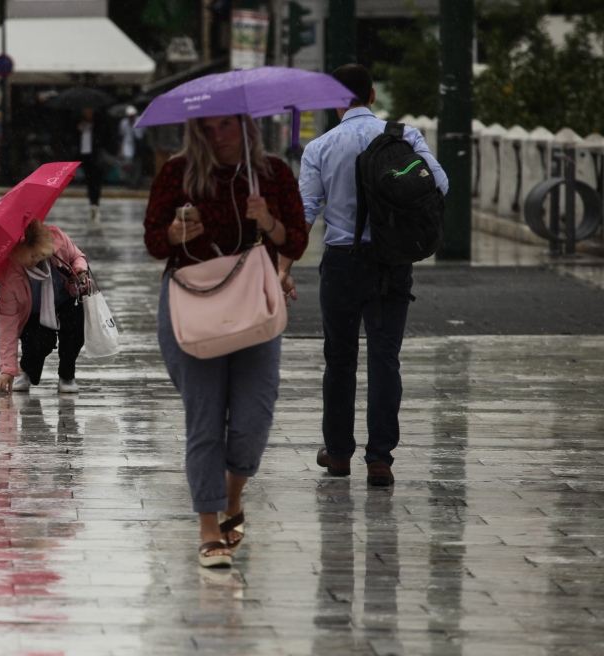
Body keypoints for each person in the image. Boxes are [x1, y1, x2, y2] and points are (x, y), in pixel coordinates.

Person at [144, 114, 307, 567]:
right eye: (207, 128)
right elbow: (154, 241)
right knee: (205, 418)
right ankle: (208, 527)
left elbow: (296, 236)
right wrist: (173, 234)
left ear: (245, 126)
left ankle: (233, 495)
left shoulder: (271, 172)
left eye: (225, 126)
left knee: (253, 417)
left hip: (253, 301)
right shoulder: (177, 173)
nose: (217, 136)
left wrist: (267, 220)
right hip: (191, 304)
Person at [298, 63, 448, 487]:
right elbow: (441, 184)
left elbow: (305, 214)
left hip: (342, 261)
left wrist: (281, 265)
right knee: (385, 359)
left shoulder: (320, 147)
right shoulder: (403, 137)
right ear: (372, 96)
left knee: (340, 360)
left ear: (333, 101)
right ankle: (380, 458)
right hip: (392, 261)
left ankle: (340, 454)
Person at [0, 219, 89, 395]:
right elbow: (8, 323)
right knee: (39, 342)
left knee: (74, 331)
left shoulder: (58, 240)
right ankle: (25, 370)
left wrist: (79, 270)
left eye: (38, 255)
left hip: (66, 300)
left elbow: (78, 257)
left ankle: (67, 376)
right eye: (29, 257)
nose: (34, 260)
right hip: (33, 312)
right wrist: (8, 368)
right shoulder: (10, 274)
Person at [76, 107, 105, 221]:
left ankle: (95, 203)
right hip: (84, 155)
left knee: (97, 180)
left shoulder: (98, 124)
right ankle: (92, 203)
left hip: (96, 156)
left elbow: (103, 139)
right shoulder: (79, 124)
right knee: (89, 180)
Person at [118, 105, 144, 188]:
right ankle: (129, 181)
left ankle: (136, 182)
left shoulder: (139, 121)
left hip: (138, 146)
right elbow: (122, 135)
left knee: (137, 165)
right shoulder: (124, 123)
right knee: (129, 165)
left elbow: (140, 135)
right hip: (128, 146)